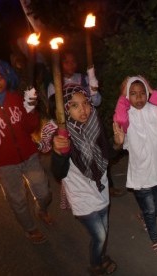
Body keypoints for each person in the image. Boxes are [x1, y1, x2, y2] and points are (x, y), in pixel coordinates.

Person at [0, 62, 52, 244]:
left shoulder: (15, 98)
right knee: (18, 200)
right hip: (4, 164)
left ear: (5, 78)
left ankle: (41, 208)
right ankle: (30, 229)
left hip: (29, 155)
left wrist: (31, 110)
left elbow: (30, 127)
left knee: (44, 191)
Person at [50, 83, 118, 275]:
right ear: (64, 110)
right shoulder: (63, 137)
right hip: (82, 197)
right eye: (74, 105)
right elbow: (58, 172)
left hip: (101, 189)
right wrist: (58, 153)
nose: (83, 109)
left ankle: (101, 257)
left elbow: (108, 155)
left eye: (85, 103)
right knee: (99, 235)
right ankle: (95, 265)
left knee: (104, 232)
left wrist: (118, 143)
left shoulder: (95, 124)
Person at [113, 75, 157, 256]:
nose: (139, 97)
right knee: (150, 210)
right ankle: (155, 237)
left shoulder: (155, 111)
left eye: (142, 93)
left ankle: (144, 216)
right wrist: (123, 100)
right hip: (140, 175)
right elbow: (119, 118)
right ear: (126, 97)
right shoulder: (126, 118)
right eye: (133, 94)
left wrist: (151, 92)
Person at [47, 50, 123, 197]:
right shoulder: (54, 84)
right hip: (81, 193)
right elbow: (54, 108)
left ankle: (106, 184)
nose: (71, 65)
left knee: (99, 150)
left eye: (73, 61)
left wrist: (94, 92)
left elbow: (96, 102)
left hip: (90, 124)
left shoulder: (84, 78)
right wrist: (58, 153)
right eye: (66, 62)